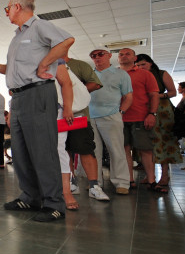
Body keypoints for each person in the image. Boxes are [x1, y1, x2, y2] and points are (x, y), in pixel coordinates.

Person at [0, 0, 73, 222]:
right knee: (21, 151)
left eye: (7, 8)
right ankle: (30, 196)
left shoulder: (39, 26)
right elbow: (13, 69)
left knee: (43, 150)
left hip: (39, 93)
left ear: (16, 6)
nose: (6, 12)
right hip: (19, 97)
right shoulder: (16, 38)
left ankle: (54, 204)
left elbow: (67, 41)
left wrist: (45, 62)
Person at [88, 49, 133, 194]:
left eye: (100, 54)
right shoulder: (89, 75)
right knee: (93, 152)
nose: (97, 57)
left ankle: (122, 183)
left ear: (109, 56)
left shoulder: (121, 74)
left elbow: (128, 96)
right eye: (93, 56)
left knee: (116, 150)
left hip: (111, 116)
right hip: (90, 117)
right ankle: (95, 183)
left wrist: (121, 112)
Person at [63, 56, 108, 203]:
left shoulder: (78, 65)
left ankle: (94, 186)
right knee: (63, 151)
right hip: (56, 116)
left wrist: (71, 92)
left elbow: (95, 84)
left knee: (85, 149)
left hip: (79, 115)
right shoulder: (47, 66)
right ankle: (71, 182)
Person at [135, 54, 180, 192]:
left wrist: (156, 95)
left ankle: (164, 174)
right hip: (143, 108)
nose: (141, 67)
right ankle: (151, 176)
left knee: (164, 141)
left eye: (143, 64)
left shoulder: (161, 74)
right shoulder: (137, 75)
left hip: (162, 109)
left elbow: (173, 92)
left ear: (150, 63)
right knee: (147, 142)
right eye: (138, 65)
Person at [117, 49, 159, 189]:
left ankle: (152, 181)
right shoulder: (114, 74)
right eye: (121, 54)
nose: (124, 56)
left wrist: (152, 114)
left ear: (134, 58)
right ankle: (129, 180)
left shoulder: (145, 74)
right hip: (119, 118)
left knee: (145, 149)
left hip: (141, 117)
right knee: (124, 150)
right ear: (117, 59)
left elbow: (154, 95)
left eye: (127, 54)